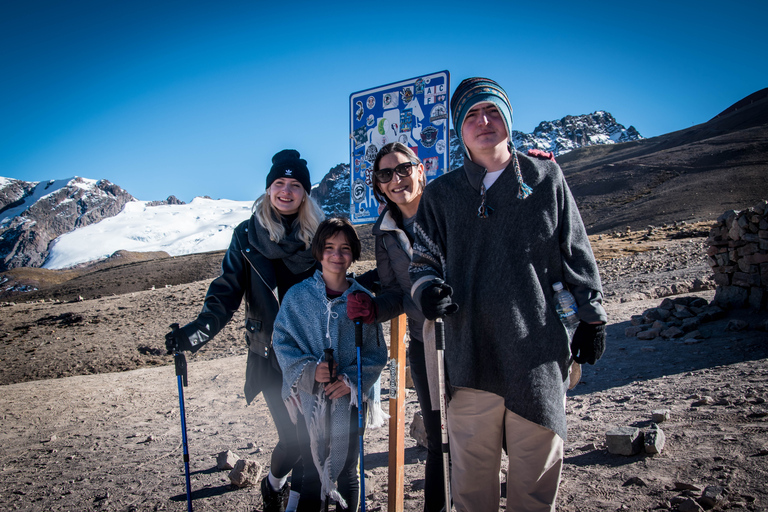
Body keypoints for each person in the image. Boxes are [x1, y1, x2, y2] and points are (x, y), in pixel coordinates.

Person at [409, 77, 608, 512]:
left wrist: (592, 317)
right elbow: (421, 261)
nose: (484, 122)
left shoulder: (545, 178)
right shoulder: (441, 196)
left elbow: (575, 250)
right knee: (471, 489)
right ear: (459, 129)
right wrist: (426, 292)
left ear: (508, 121)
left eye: (493, 112)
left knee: (534, 488)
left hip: (535, 356)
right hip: (469, 359)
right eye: (473, 115)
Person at [165, 149, 325, 512]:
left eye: (295, 185)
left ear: (305, 193)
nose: (286, 191)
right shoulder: (247, 236)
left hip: (313, 355)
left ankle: (286, 496)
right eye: (279, 183)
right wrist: (194, 334)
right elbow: (225, 295)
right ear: (269, 189)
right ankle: (275, 486)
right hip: (268, 357)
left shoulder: (319, 236)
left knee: (314, 441)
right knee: (295, 441)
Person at [346, 142, 446, 512]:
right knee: (437, 438)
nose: (396, 179)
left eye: (403, 169)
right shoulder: (385, 232)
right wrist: (373, 309)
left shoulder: (449, 209)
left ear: (421, 170)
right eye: (386, 174)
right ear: (378, 185)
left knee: (486, 429)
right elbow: (395, 293)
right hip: (423, 340)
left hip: (470, 337)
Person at [272, 217, 388, 512]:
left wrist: (350, 380)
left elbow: (375, 353)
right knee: (310, 473)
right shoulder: (298, 297)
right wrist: (309, 372)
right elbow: (282, 342)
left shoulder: (362, 298)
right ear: (318, 251)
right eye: (329, 247)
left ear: (354, 253)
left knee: (349, 473)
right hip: (309, 404)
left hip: (348, 406)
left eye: (345, 248)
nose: (337, 255)